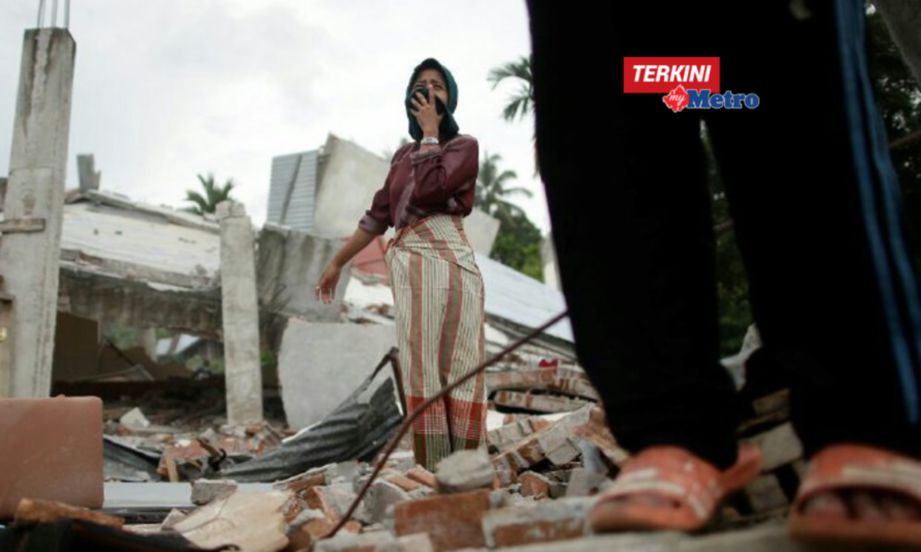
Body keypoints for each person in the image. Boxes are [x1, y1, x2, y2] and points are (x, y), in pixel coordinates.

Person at [525, 0, 921, 547]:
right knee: (606, 72)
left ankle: (859, 418)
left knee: (778, 50)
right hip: (671, 78)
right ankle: (669, 430)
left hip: (743, 74)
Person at [316, 58, 486, 471]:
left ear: (450, 99)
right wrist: (337, 262)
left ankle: (468, 471)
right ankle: (436, 472)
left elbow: (432, 190)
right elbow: (378, 215)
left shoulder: (463, 147)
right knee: (422, 365)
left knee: (462, 362)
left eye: (438, 86)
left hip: (453, 260)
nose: (428, 91)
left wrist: (430, 135)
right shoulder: (401, 159)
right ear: (409, 100)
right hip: (413, 265)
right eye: (420, 85)